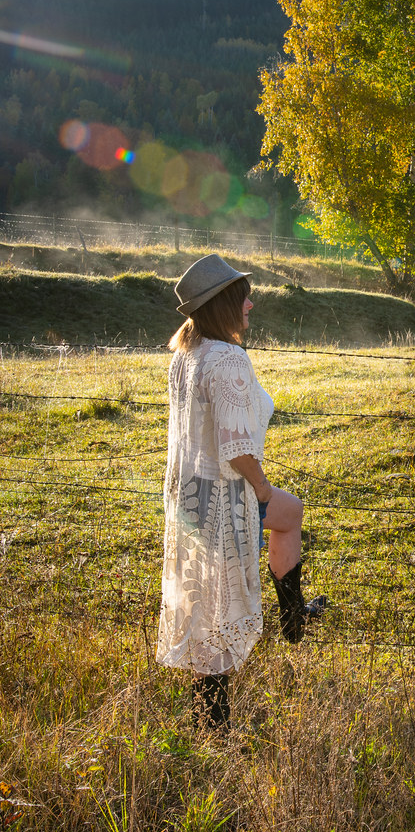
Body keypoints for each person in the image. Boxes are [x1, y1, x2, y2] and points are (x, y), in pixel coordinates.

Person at [156, 253, 323, 730]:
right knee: (218, 603)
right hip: (224, 494)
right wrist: (261, 485)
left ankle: (293, 618)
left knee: (289, 515)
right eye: (242, 296)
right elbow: (235, 448)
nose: (250, 304)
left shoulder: (187, 355)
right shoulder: (227, 358)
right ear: (223, 304)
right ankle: (213, 722)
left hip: (191, 493)